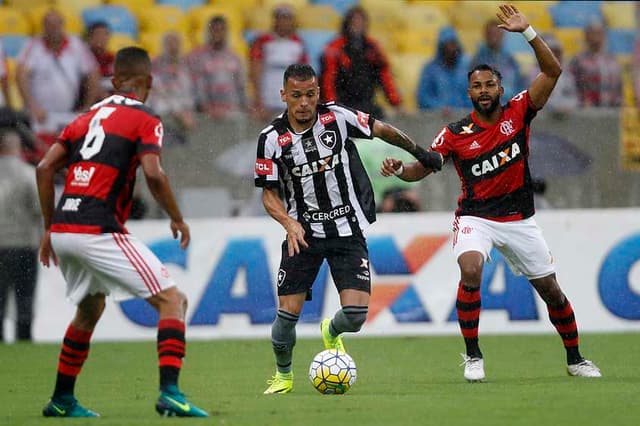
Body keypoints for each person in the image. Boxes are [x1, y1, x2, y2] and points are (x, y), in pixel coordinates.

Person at [381, 4, 601, 382]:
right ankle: (473, 356)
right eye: (477, 86)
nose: (484, 92)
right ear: (469, 92)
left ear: (501, 88)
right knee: (470, 270)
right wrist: (403, 169)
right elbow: (428, 165)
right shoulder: (454, 133)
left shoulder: (519, 111)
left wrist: (528, 32)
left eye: (490, 85)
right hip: (476, 218)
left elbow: (553, 71)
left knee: (551, 291)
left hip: (519, 219)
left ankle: (576, 358)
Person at [35, 46, 208, 417]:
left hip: (65, 226)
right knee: (172, 301)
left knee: (89, 308)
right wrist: (176, 217)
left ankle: (62, 400)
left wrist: (50, 228)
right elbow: (154, 173)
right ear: (148, 82)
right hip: (97, 228)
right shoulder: (145, 117)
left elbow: (44, 168)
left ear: (114, 82)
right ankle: (171, 393)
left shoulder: (84, 118)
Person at [255, 63, 442, 394]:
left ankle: (331, 329)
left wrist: (421, 153)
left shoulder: (336, 118)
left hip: (346, 231)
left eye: (310, 95)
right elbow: (268, 194)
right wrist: (288, 222)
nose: (303, 103)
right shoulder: (271, 139)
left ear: (318, 94)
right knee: (287, 318)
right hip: (304, 235)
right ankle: (283, 376)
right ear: (283, 95)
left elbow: (383, 129)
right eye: (296, 96)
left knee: (355, 315)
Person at [16, 9, 100, 147]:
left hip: (70, 113)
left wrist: (88, 106)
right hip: (41, 114)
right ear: (43, 27)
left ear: (62, 25)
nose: (53, 29)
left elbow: (93, 74)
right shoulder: (33, 45)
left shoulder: (76, 45)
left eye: (56, 24)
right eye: (49, 25)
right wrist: (31, 105)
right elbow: (21, 75)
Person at [320, 6, 402, 119]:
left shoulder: (372, 47)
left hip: (367, 103)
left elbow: (384, 75)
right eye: (354, 21)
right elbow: (328, 79)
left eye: (360, 22)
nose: (357, 25)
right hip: (344, 104)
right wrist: (332, 106)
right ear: (347, 24)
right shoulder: (335, 47)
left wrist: (395, 102)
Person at [0, 129, 41, 342]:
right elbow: (39, 208)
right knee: (24, 296)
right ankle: (24, 338)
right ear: (17, 149)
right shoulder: (29, 173)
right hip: (24, 244)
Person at [249, 4, 308, 120]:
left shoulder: (299, 43)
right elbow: (255, 69)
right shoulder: (262, 40)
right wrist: (258, 100)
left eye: (287, 18)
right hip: (267, 96)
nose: (284, 22)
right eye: (281, 18)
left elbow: (304, 75)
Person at [186, 15, 247, 119]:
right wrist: (205, 107)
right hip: (207, 114)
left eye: (221, 30)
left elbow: (240, 86)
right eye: (214, 30)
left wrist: (244, 106)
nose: (218, 33)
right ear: (209, 32)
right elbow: (196, 86)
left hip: (231, 112)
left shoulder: (235, 58)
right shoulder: (198, 57)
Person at [149, 31, 195, 145]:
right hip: (165, 118)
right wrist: (177, 111)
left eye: (176, 43)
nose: (173, 47)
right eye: (170, 43)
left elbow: (189, 92)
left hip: (185, 119)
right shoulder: (155, 65)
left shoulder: (186, 65)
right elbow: (157, 91)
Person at [568, 18, 622, 107]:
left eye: (599, 33)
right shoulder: (578, 60)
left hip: (611, 111)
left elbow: (619, 87)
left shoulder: (612, 61)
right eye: (593, 33)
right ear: (586, 36)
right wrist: (580, 102)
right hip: (588, 112)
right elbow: (571, 85)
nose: (596, 38)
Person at [416, 26, 470, 111]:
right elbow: (423, 97)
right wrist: (439, 107)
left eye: (453, 44)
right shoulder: (431, 70)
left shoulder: (467, 67)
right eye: (447, 46)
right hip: (438, 119)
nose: (451, 49)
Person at [471, 18, 524, 100]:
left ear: (502, 35)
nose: (493, 37)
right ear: (485, 35)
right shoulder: (478, 60)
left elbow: (518, 85)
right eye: (490, 33)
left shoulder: (510, 60)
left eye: (496, 33)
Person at [527, 33, 578, 115]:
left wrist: (566, 106)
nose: (555, 56)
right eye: (552, 52)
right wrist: (556, 107)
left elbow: (573, 97)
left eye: (557, 53)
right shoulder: (534, 73)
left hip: (563, 119)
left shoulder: (567, 75)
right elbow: (535, 98)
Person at [85, 21, 115, 99]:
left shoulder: (113, 59)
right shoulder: (83, 58)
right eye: (98, 34)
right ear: (89, 37)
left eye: (105, 34)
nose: (102, 38)